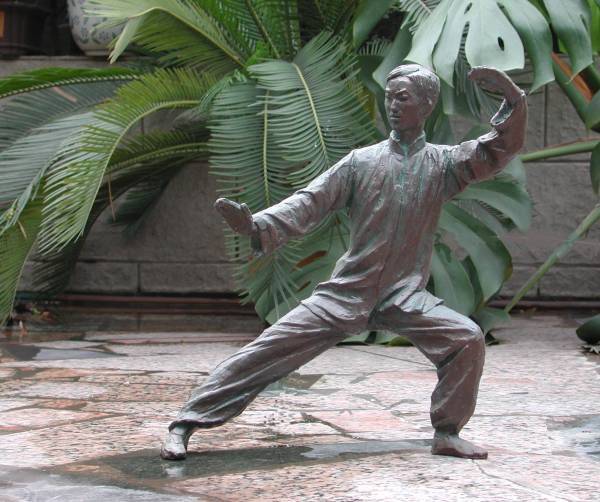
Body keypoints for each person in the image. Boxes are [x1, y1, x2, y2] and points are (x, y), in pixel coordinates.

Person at [161, 64, 527, 461]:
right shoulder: (361, 163)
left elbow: (495, 150)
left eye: (402, 97)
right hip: (347, 292)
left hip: (404, 296)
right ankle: (186, 422)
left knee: (466, 339)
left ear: (426, 104)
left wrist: (514, 100)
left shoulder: (443, 165)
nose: (392, 104)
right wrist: (256, 223)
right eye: (389, 96)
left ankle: (447, 431)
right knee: (268, 348)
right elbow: (309, 202)